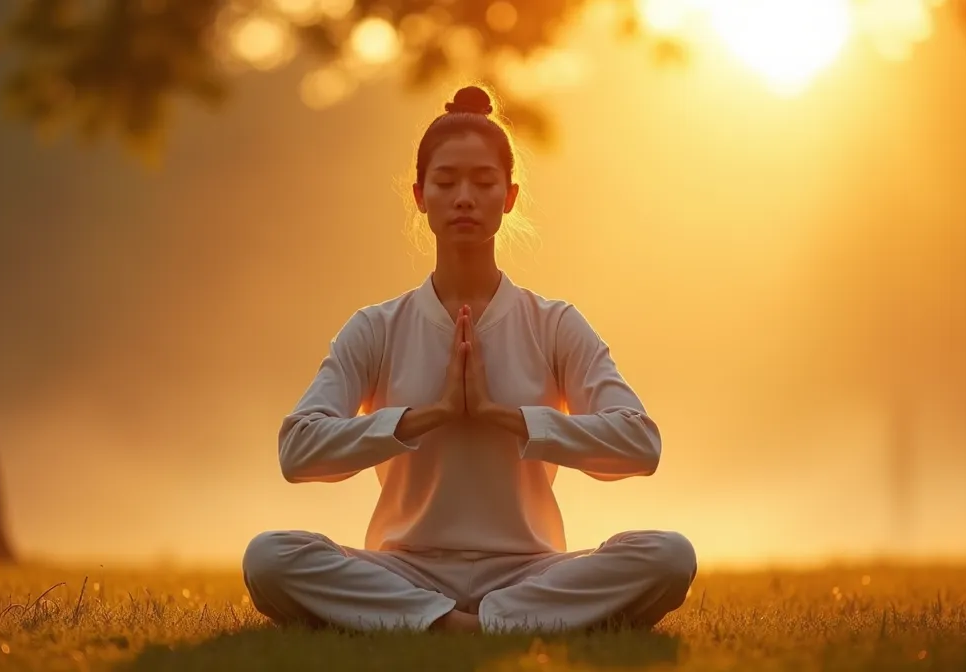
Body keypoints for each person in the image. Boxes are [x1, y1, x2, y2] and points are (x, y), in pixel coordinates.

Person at [242, 85, 696, 634]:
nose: (464, 198)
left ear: (509, 196)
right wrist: (423, 415)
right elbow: (298, 450)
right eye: (446, 181)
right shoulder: (377, 328)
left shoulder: (553, 324)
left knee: (669, 555)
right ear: (419, 194)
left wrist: (504, 414)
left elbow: (640, 444)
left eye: (483, 183)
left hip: (529, 568)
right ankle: (477, 623)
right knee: (268, 557)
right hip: (404, 567)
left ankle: (454, 623)